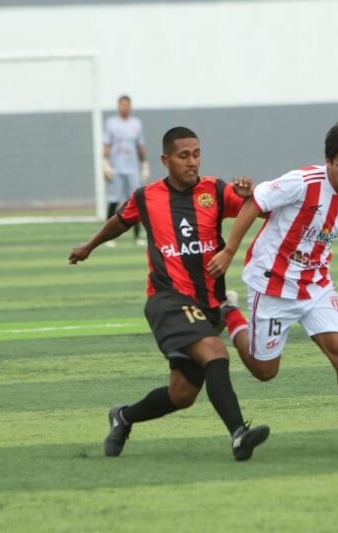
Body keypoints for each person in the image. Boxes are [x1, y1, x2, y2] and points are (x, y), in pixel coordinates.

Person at [70, 126, 269, 461]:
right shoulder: (146, 197)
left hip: (206, 304)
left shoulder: (215, 191)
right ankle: (239, 434)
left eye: (196, 154)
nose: (192, 162)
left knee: (182, 395)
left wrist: (250, 194)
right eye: (183, 156)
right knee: (216, 352)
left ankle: (124, 417)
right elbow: (120, 221)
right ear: (165, 160)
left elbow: (259, 210)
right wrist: (90, 245)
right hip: (168, 300)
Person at [207, 120, 338, 454]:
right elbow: (254, 203)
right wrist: (229, 251)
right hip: (273, 286)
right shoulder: (302, 182)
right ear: (328, 162)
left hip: (316, 287)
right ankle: (230, 314)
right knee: (265, 371)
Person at [102, 94, 150, 247]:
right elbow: (107, 144)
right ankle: (108, 237)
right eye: (122, 104)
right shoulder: (111, 123)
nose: (125, 107)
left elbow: (140, 146)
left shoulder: (136, 123)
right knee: (113, 200)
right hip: (116, 168)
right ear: (119, 106)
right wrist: (105, 163)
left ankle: (137, 236)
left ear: (130, 106)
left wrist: (144, 164)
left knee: (135, 200)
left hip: (132, 168)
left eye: (127, 105)